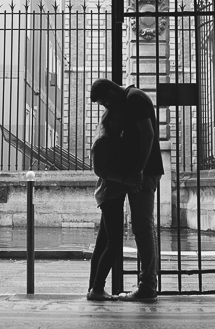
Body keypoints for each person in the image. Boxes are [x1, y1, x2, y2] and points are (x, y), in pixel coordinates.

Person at [90, 78, 164, 302]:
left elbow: (148, 134)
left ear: (111, 94)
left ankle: (147, 286)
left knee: (142, 228)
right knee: (138, 229)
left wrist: (139, 170)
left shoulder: (134, 100)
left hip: (143, 173)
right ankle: (96, 288)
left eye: (105, 103)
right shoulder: (131, 99)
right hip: (136, 175)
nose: (107, 109)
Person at [86, 115, 131, 301]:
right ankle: (97, 288)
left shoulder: (111, 139)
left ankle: (93, 288)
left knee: (102, 245)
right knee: (114, 244)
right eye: (115, 119)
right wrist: (124, 180)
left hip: (112, 195)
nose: (118, 122)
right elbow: (100, 170)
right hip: (109, 195)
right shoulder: (103, 141)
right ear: (107, 121)